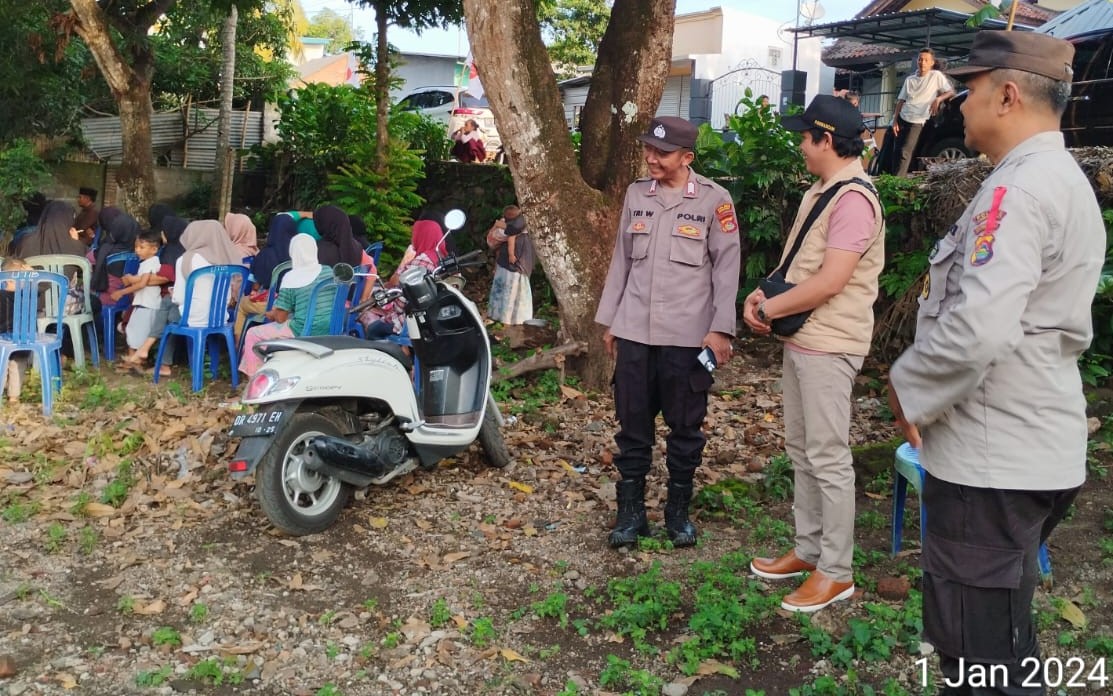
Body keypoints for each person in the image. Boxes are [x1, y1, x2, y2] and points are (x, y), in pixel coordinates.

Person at [887, 31, 1103, 693]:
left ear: (1007, 95)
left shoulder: (1019, 191)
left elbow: (976, 329)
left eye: (970, 88)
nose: (956, 100)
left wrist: (908, 389)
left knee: (979, 663)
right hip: (1025, 445)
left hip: (991, 462)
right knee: (1001, 642)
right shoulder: (1048, 178)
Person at [743, 95, 885, 613]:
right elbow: (800, 264)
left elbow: (831, 280)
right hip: (803, 339)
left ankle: (836, 571)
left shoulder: (853, 200)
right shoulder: (822, 190)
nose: (800, 145)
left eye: (805, 137)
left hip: (830, 344)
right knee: (803, 451)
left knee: (828, 457)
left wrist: (772, 306)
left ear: (827, 140)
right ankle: (808, 550)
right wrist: (765, 296)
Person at [595, 116, 741, 549]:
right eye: (649, 149)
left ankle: (678, 512)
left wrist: (720, 330)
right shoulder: (637, 195)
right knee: (632, 425)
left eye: (661, 153)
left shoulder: (715, 200)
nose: (651, 158)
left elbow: (728, 268)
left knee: (685, 427)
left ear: (687, 157)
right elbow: (621, 261)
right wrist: (612, 321)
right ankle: (632, 513)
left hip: (688, 336)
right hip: (636, 330)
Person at [239, 235, 334, 378]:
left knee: (253, 334)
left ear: (293, 253)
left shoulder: (291, 277)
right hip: (331, 327)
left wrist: (271, 314)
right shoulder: (328, 271)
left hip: (302, 330)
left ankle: (255, 380)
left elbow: (281, 318)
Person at [359, 219, 445, 339]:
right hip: (434, 316)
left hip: (410, 321)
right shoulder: (440, 258)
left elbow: (401, 303)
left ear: (422, 236)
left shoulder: (420, 261)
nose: (412, 239)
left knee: (372, 330)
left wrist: (387, 311)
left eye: (414, 235)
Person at [892, 47, 956, 176]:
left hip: (919, 120)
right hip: (903, 118)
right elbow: (900, 101)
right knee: (896, 151)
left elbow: (950, 92)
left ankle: (898, 182)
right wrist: (894, 121)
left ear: (932, 63)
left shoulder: (936, 76)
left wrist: (939, 99)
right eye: (920, 59)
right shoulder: (910, 79)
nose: (922, 62)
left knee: (906, 151)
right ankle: (895, 179)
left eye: (926, 60)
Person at [235, 213, 297, 341]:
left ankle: (237, 346)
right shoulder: (298, 252)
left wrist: (253, 292)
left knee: (241, 305)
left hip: (272, 305)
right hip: (295, 303)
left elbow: (255, 283)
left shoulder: (265, 254)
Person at [113, 231, 163, 366]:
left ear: (154, 249)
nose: (137, 250)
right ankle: (133, 360)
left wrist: (121, 292)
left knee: (137, 332)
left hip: (147, 304)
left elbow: (142, 283)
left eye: (142, 247)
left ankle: (136, 362)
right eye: (136, 247)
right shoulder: (147, 262)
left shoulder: (151, 263)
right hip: (143, 303)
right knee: (133, 330)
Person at [487, 205, 535, 326]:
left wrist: (500, 225)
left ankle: (513, 318)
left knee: (515, 289)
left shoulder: (521, 221)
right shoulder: (511, 223)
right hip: (509, 262)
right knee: (507, 288)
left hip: (518, 261)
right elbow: (495, 239)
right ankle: (503, 317)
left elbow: (511, 231)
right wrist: (511, 255)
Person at [0, 258, 34, 404]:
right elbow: (41, 288)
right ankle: (14, 397)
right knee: (17, 364)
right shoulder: (30, 294)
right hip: (23, 339)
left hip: (2, 340)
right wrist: (32, 274)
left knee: (2, 362)